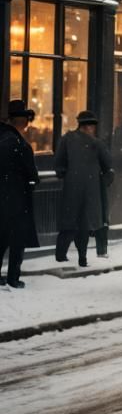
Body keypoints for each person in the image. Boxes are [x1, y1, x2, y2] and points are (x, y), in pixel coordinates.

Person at [55, 110, 114, 268]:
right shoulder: (97, 144)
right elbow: (108, 165)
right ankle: (82, 258)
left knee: (68, 223)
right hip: (90, 190)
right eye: (92, 126)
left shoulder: (66, 139)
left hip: (71, 188)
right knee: (84, 225)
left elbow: (59, 165)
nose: (93, 129)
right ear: (88, 127)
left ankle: (60, 255)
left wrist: (65, 173)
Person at [0, 100, 40, 289]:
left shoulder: (3, 138)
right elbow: (31, 173)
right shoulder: (18, 144)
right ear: (22, 121)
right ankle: (13, 277)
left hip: (4, 197)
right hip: (16, 199)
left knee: (2, 238)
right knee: (17, 239)